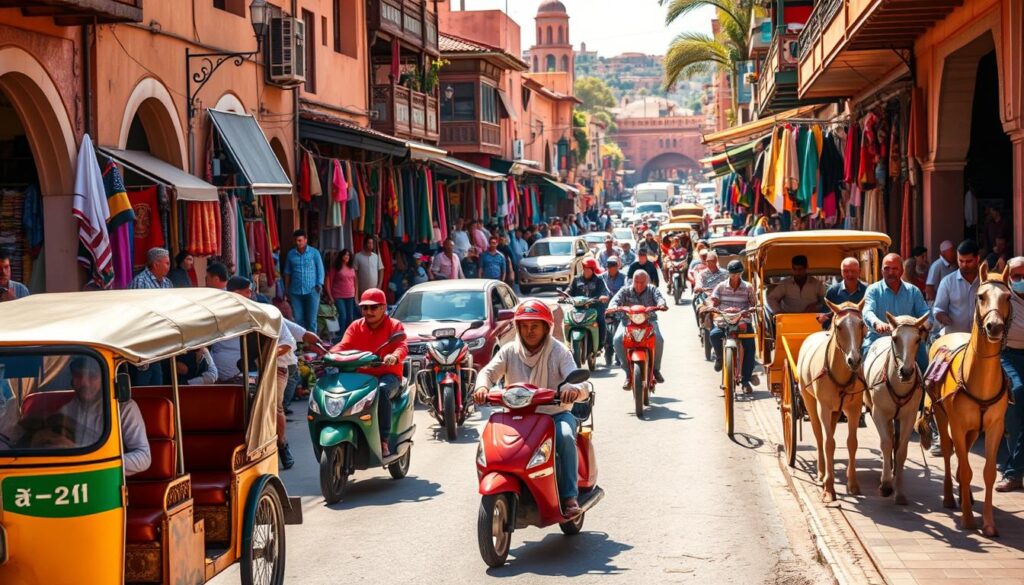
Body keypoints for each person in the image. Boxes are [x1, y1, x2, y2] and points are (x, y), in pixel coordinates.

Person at [472, 299, 590, 515]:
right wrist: (482, 387)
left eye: (535, 326)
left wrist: (572, 389)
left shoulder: (559, 351)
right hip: (517, 417)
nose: (529, 331)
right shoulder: (509, 351)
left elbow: (577, 379)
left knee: (565, 435)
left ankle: (569, 496)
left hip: (554, 414)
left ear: (546, 327)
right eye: (524, 326)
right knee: (490, 439)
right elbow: (488, 372)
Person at [0, 357, 151, 476]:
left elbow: (143, 457)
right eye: (79, 376)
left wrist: (96, 462)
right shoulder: (67, 410)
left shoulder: (125, 408)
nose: (84, 382)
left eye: (92, 376)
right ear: (72, 380)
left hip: (107, 484)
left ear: (106, 378)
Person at [331, 289, 408, 457]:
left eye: (374, 307)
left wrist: (394, 356)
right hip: (361, 377)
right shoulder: (356, 326)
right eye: (365, 308)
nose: (369, 312)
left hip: (388, 376)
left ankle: (383, 440)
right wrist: (330, 354)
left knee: (381, 391)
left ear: (384, 308)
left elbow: (402, 346)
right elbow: (343, 345)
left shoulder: (394, 325)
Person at [862, 253, 930, 371]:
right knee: (864, 361)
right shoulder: (873, 290)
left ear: (902, 270)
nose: (890, 272)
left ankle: (924, 388)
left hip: (908, 339)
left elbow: (925, 313)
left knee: (925, 364)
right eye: (887, 268)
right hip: (878, 337)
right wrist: (877, 323)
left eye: (895, 268)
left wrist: (924, 325)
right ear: (881, 271)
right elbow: (867, 311)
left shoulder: (913, 291)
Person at [609, 270, 667, 388]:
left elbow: (660, 298)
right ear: (632, 281)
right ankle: (628, 373)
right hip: (628, 322)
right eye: (636, 281)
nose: (639, 285)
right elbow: (615, 299)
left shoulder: (652, 289)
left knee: (659, 339)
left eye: (642, 282)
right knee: (617, 339)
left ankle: (655, 369)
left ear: (647, 281)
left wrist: (661, 304)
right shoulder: (625, 290)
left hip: (649, 321)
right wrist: (613, 307)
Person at [709, 260, 757, 393]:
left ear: (741, 273)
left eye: (737, 274)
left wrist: (751, 309)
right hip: (724, 320)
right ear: (729, 274)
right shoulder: (720, 286)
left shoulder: (748, 287)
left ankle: (746, 380)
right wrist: (713, 306)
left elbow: (753, 303)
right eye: (732, 274)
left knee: (750, 347)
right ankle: (719, 357)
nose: (735, 277)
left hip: (742, 320)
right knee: (713, 335)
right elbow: (714, 300)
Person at [998, 256, 1024, 492]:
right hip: (1007, 355)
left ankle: (1015, 471)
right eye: (1016, 276)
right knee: (1017, 392)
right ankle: (1014, 472)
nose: (1021, 280)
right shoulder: (1004, 298)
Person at [933, 239, 981, 336]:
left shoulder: (986, 282)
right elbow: (938, 309)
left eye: (968, 261)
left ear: (977, 259)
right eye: (961, 261)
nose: (964, 265)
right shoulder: (947, 282)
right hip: (954, 339)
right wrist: (943, 317)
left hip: (980, 340)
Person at [284, 229, 325, 334]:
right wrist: (286, 289)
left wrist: (319, 284)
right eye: (296, 241)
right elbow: (287, 272)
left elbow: (320, 270)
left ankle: (313, 345)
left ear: (305, 240)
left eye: (300, 240)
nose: (298, 243)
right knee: (298, 319)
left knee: (311, 320)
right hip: (295, 291)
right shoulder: (291, 254)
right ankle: (301, 345)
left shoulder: (314, 253)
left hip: (312, 290)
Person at [564, 258, 610, 350]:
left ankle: (600, 344)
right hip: (578, 308)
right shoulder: (577, 279)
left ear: (593, 269)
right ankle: (568, 342)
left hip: (595, 308)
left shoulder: (599, 280)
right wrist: (565, 295)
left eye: (589, 268)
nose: (586, 270)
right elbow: (569, 290)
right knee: (567, 320)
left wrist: (604, 296)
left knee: (601, 320)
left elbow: (605, 292)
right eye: (585, 268)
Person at [819, 257, 867, 328]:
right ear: (841, 272)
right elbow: (825, 318)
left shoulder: (868, 290)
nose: (850, 274)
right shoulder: (832, 291)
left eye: (853, 271)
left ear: (859, 271)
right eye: (846, 271)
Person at [325, 249, 358, 334]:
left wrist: (356, 295)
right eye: (345, 255)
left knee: (350, 317)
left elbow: (355, 282)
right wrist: (330, 296)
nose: (347, 257)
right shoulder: (336, 268)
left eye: (348, 255)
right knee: (342, 316)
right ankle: (340, 336)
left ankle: (349, 335)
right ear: (341, 256)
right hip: (339, 296)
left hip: (350, 295)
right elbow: (328, 281)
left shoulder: (351, 268)